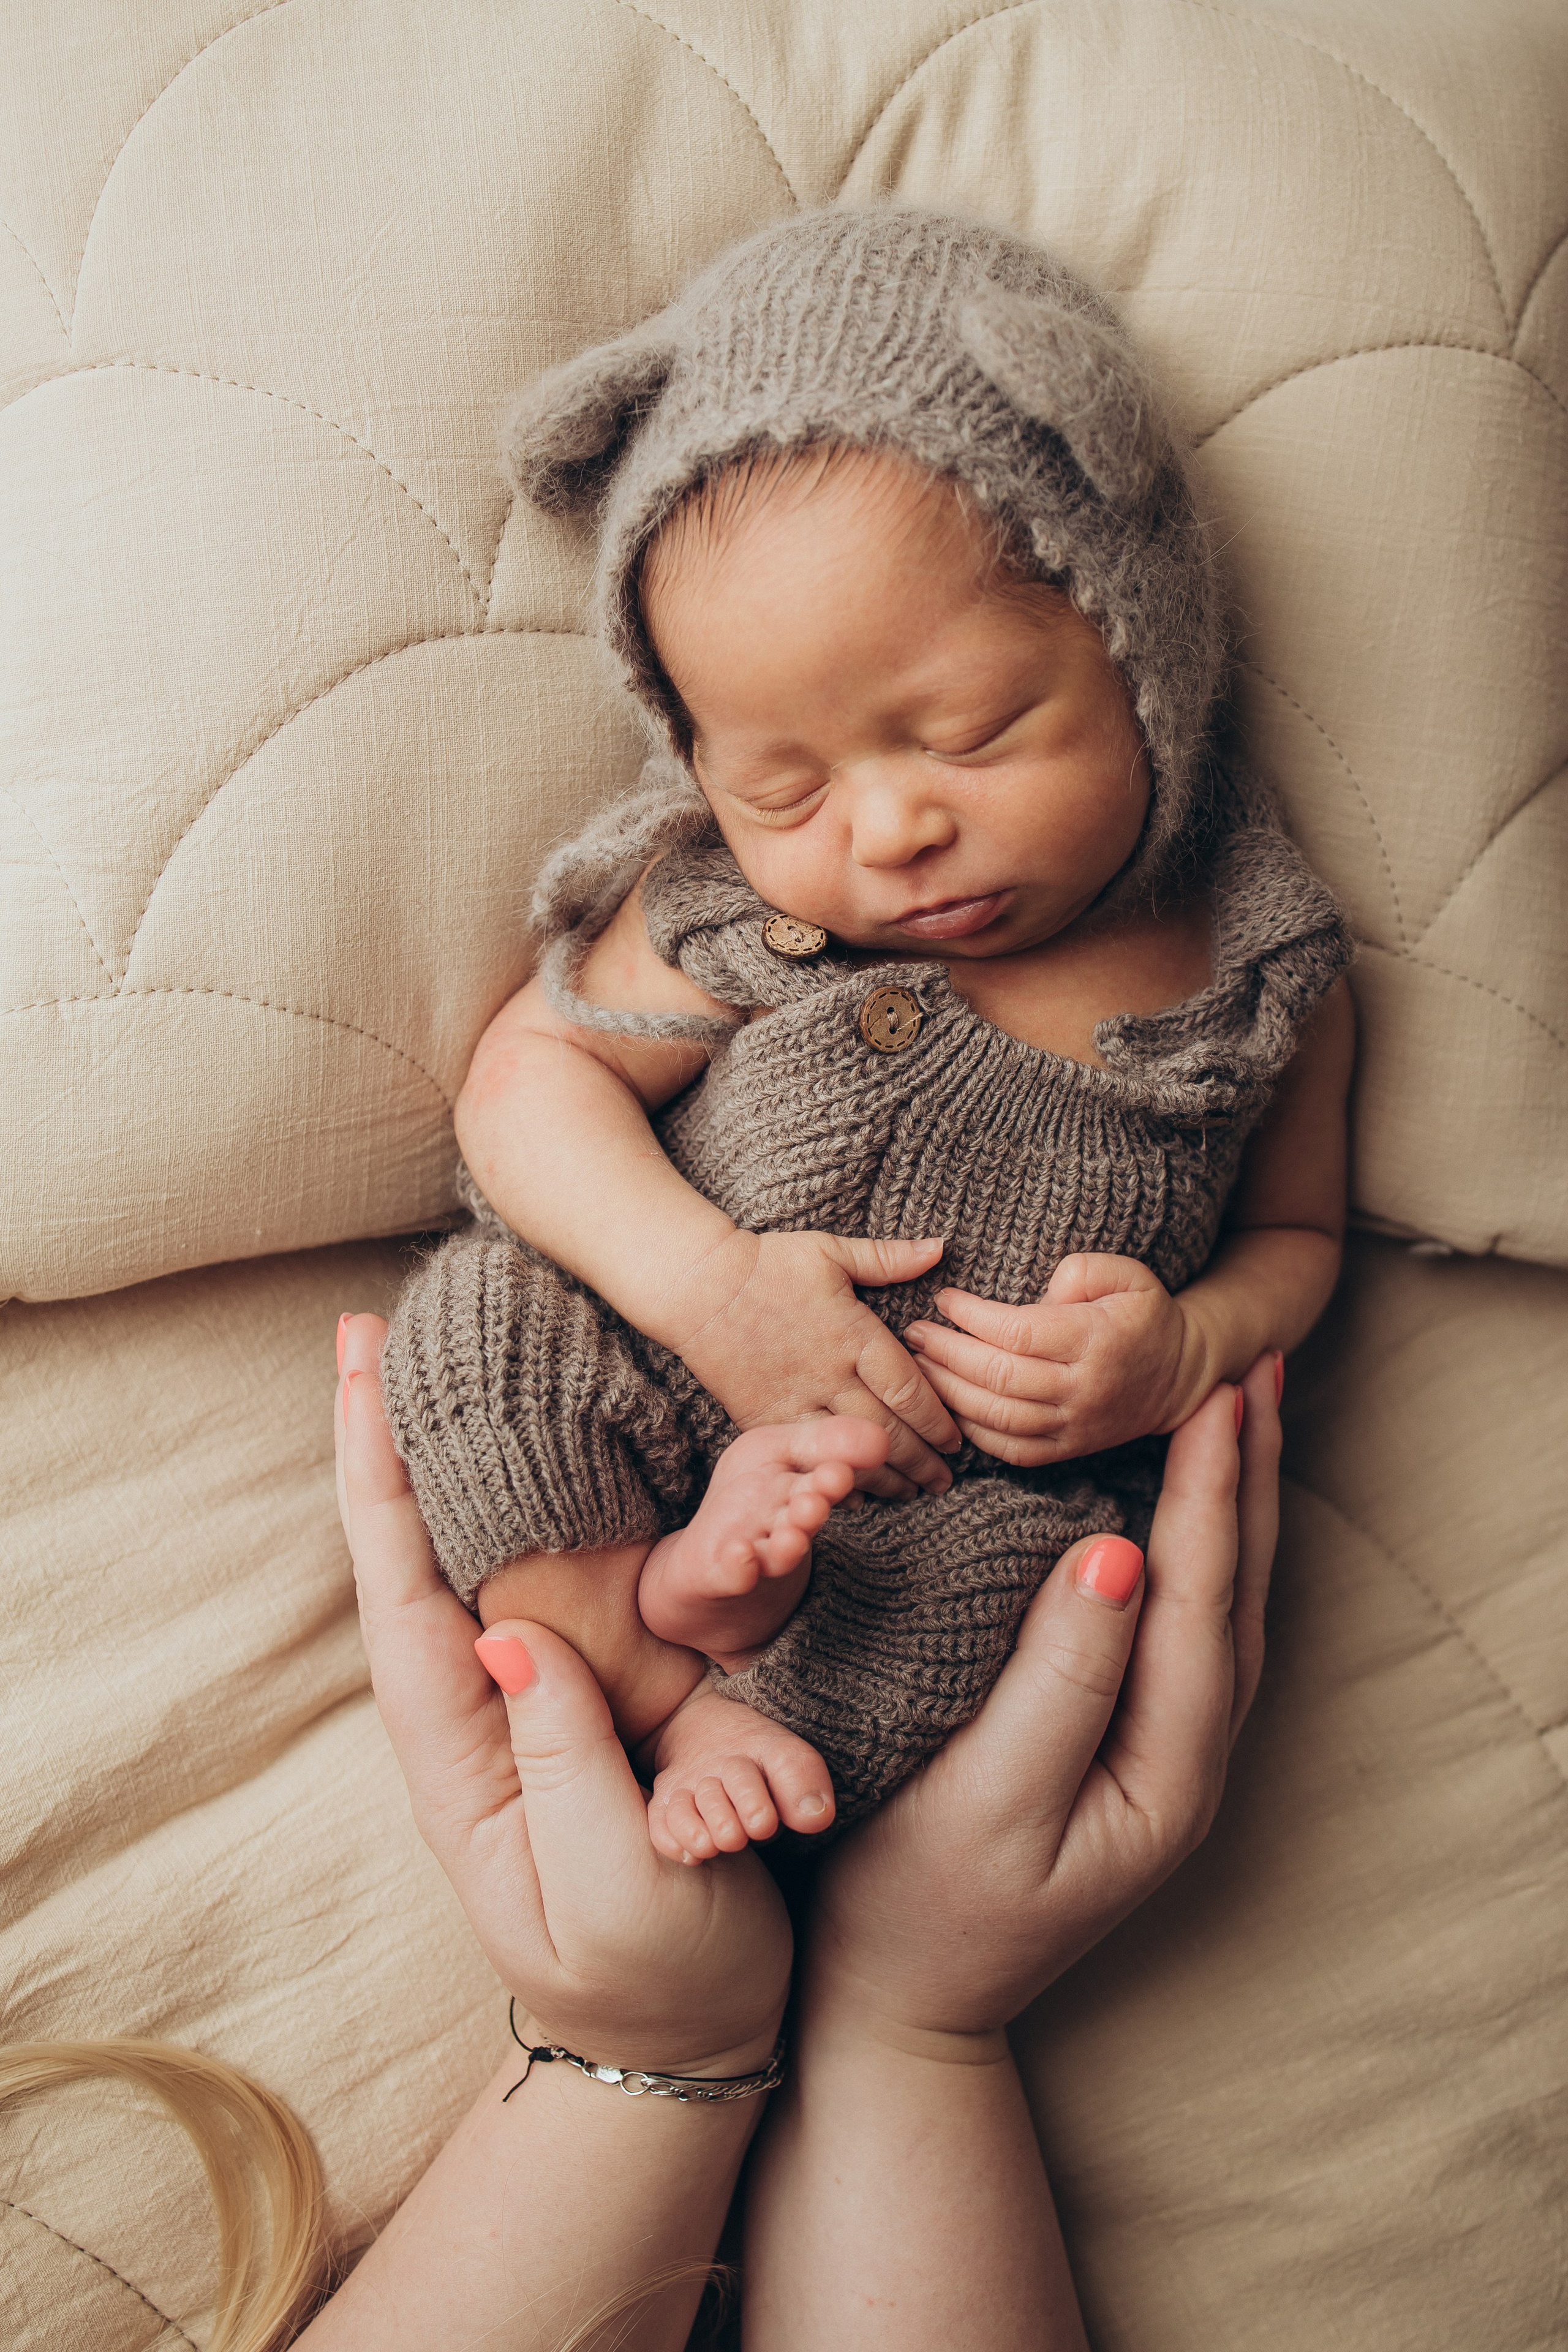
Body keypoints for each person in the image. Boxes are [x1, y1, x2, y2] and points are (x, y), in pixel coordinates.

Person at [377, 207, 1353, 1863]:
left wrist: (1184, 1352)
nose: (890, 831)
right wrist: (707, 1288)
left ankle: (747, 1698)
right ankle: (646, 1653)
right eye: (785, 788)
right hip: (650, 1366)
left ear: (1140, 647)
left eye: (970, 733)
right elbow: (531, 1079)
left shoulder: (1255, 979)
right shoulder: (737, 911)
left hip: (935, 1502)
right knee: (477, 1332)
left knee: (1040, 1590)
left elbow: (1296, 1240)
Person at [285, 1314, 1282, 2349]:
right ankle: (688, 1684)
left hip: (827, 1475)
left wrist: (664, 2034)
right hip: (825, 1511)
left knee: (488, 1368)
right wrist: (903, 2015)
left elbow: (1292, 1252)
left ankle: (694, 1664)